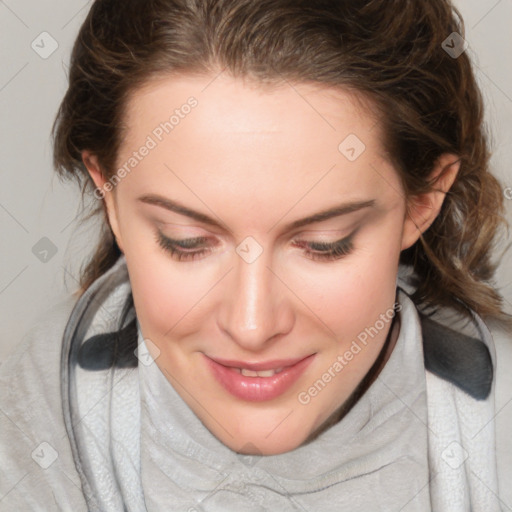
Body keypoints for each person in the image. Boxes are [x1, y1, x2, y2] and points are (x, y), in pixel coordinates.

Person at [1, 0, 511, 510]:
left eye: (323, 244)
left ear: (422, 202)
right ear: (109, 194)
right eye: (185, 241)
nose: (252, 326)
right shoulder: (52, 403)